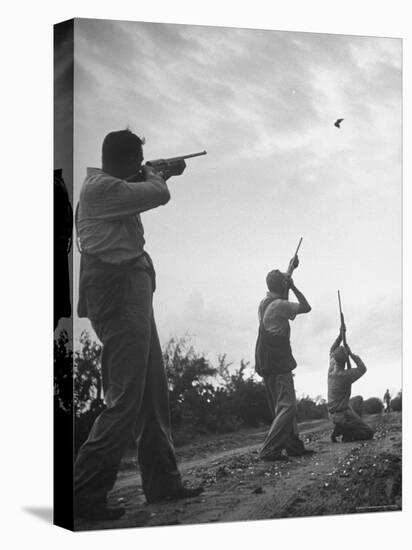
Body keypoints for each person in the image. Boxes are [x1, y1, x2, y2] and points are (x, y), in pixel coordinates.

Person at [74, 129, 203, 521]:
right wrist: (158, 175)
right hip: (118, 292)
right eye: (138, 161)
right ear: (130, 160)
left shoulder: (109, 185)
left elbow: (144, 188)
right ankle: (84, 490)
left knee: (152, 392)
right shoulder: (100, 189)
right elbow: (158, 194)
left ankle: (162, 481)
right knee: (126, 397)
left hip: (129, 290)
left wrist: (153, 172)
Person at [255, 259, 314, 461]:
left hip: (266, 363)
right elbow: (306, 307)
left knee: (282, 406)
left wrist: (290, 271)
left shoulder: (265, 303)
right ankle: (269, 450)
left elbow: (281, 297)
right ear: (281, 286)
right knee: (288, 407)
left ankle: (292, 445)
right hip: (278, 362)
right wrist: (294, 285)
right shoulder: (278, 305)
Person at [328, 324, 374, 442]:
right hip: (342, 415)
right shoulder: (344, 376)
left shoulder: (332, 367)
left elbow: (332, 350)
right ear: (345, 360)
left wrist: (341, 334)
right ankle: (347, 432)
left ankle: (343, 427)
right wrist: (351, 354)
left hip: (334, 413)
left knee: (358, 398)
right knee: (368, 433)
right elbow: (363, 368)